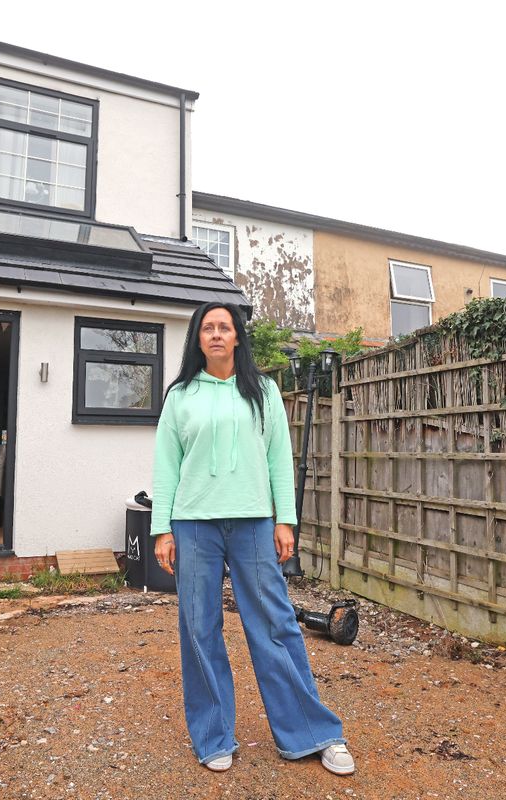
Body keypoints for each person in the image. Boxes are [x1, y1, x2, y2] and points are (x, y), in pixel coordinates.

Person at [151, 302, 355, 776]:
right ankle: (213, 736)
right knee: (199, 629)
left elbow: (279, 459)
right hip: (194, 522)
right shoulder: (180, 395)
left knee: (275, 625)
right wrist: (162, 528)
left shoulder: (262, 391)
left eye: (225, 327)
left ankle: (313, 732)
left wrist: (286, 520)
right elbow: (166, 466)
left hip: (254, 523)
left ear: (238, 337)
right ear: (197, 339)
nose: (217, 334)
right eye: (208, 328)